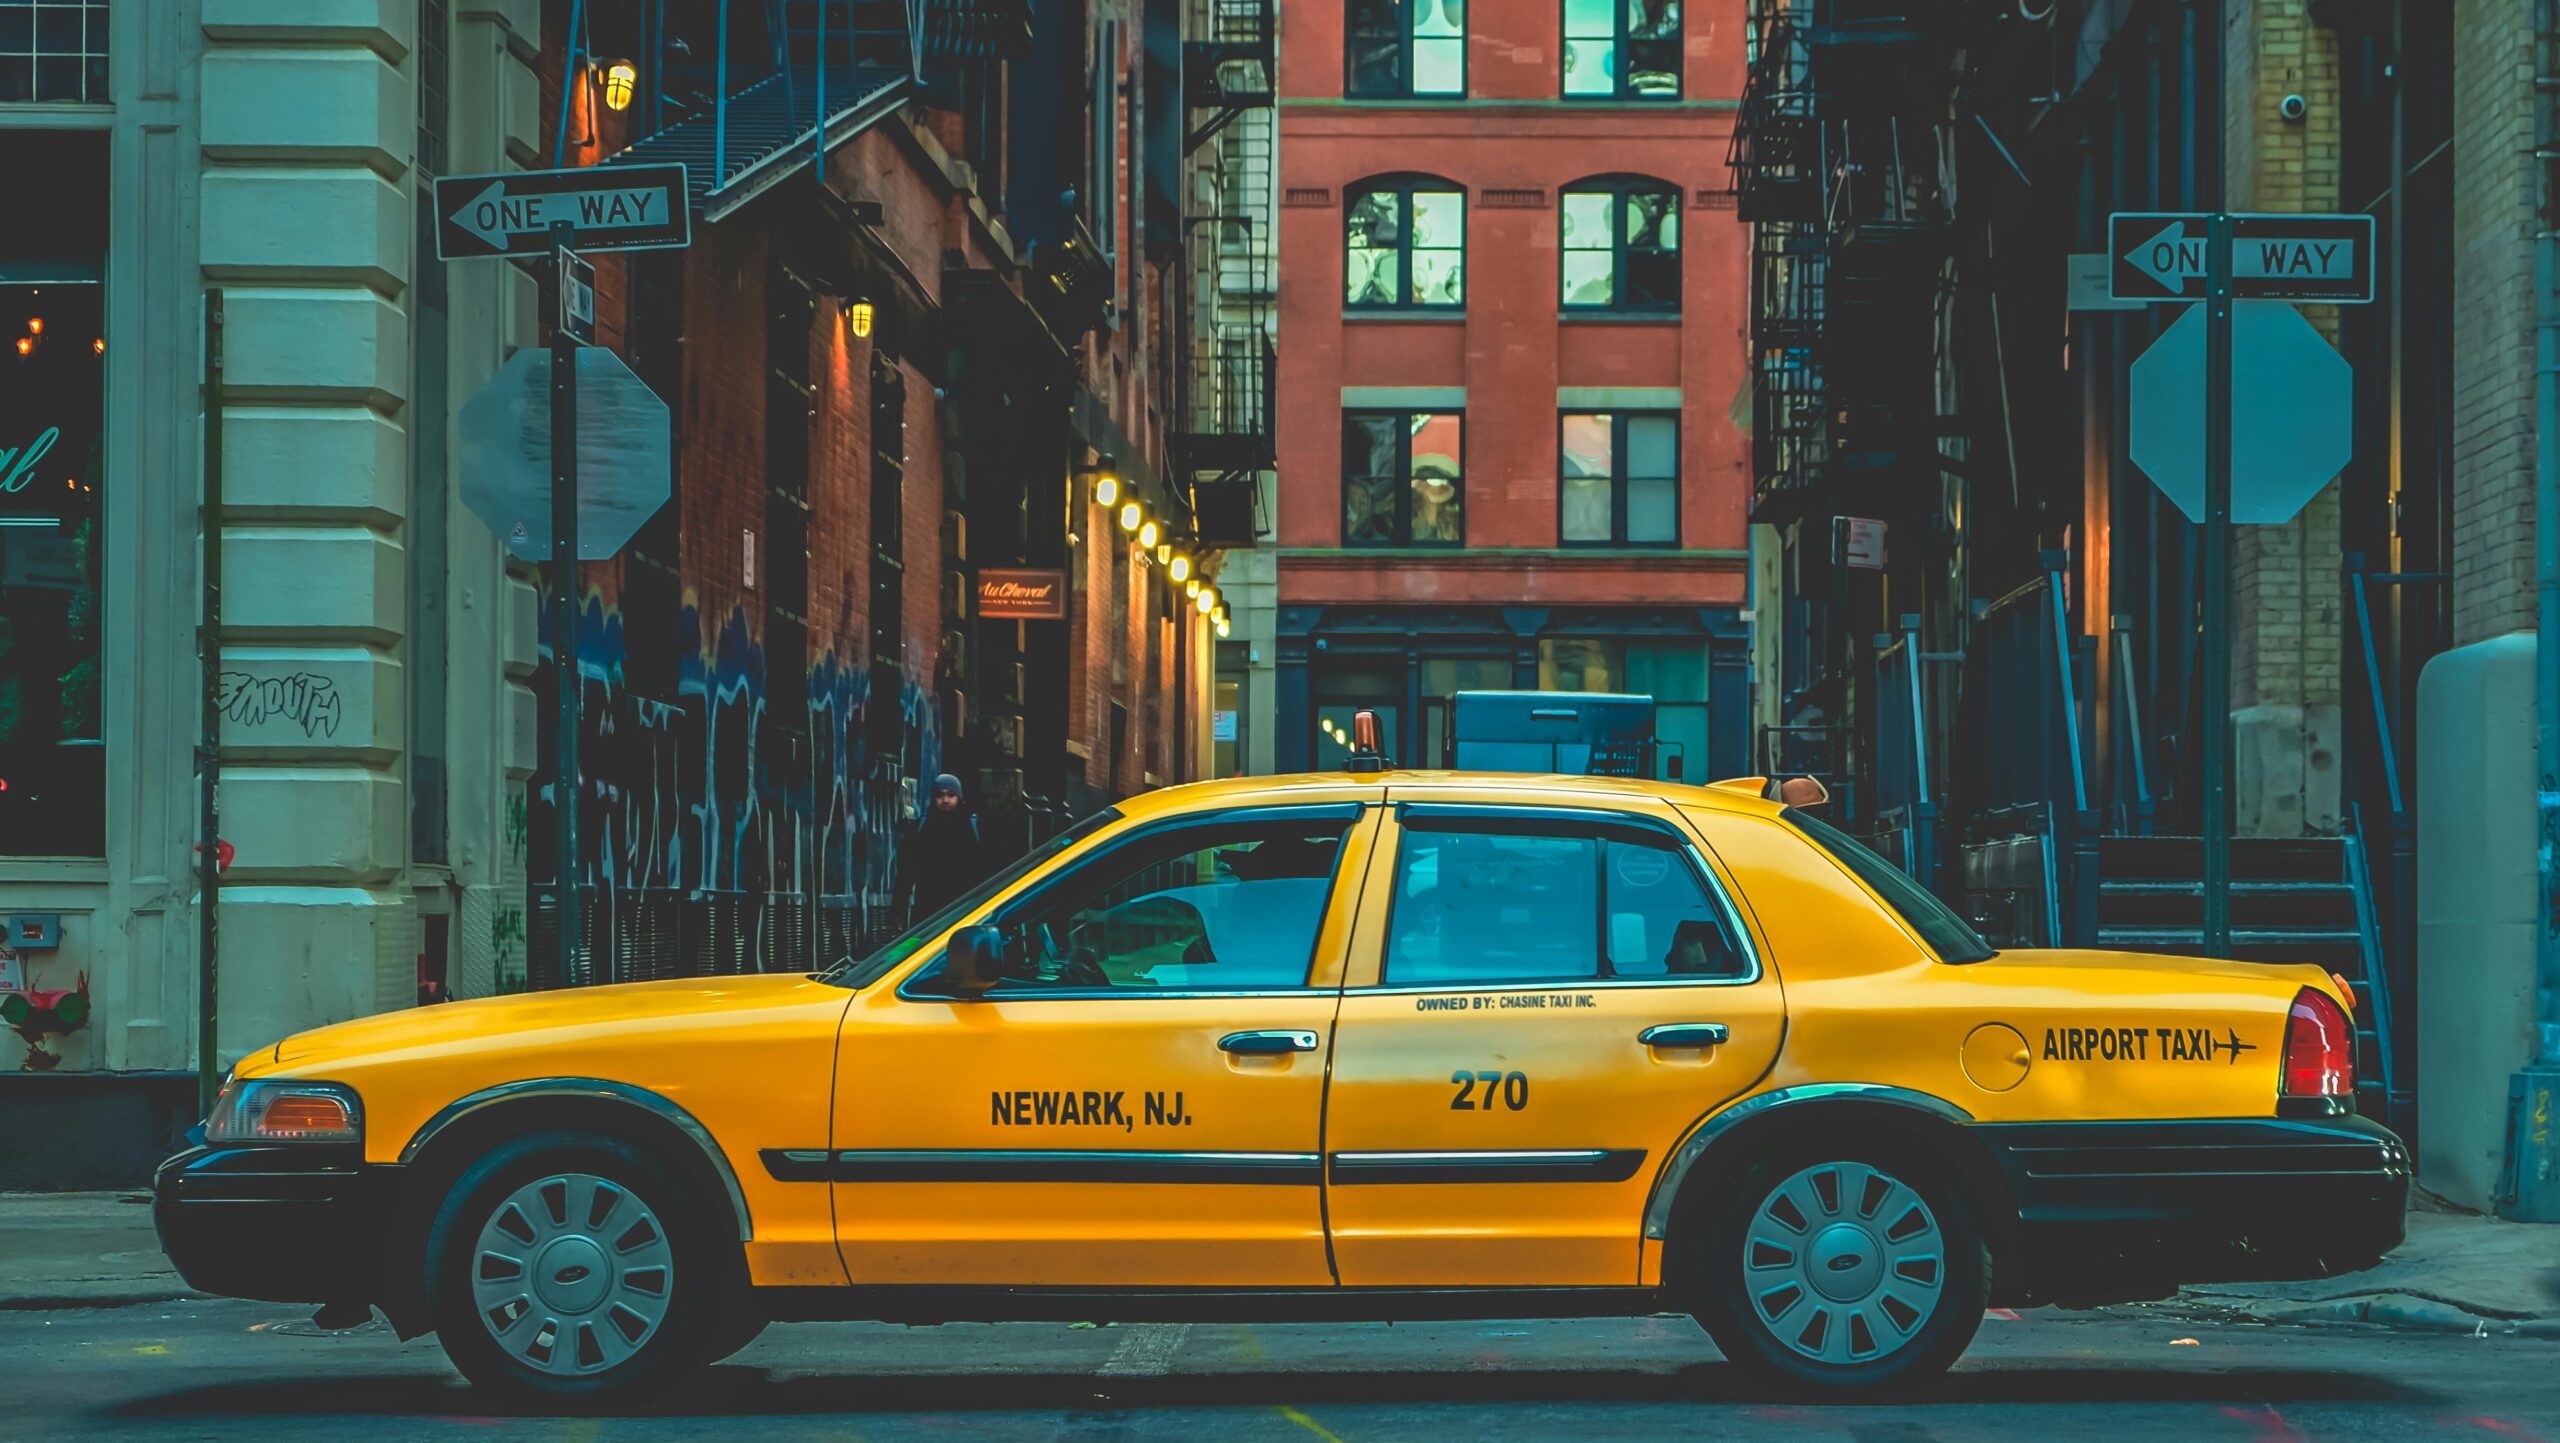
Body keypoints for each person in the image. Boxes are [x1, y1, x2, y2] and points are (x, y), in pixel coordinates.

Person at [900, 773, 988, 921]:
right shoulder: (921, 828)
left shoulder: (974, 827)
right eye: (940, 795)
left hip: (965, 906)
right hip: (929, 908)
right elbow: (906, 871)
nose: (945, 800)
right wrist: (899, 907)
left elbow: (986, 867)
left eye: (951, 795)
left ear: (959, 797)